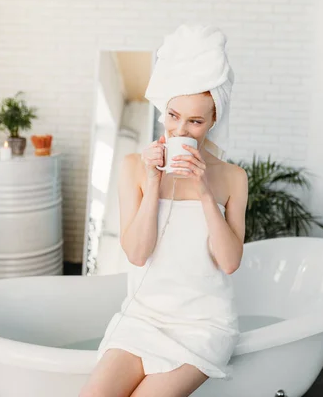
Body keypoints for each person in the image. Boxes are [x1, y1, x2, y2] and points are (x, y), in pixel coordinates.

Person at [79, 24, 248, 397]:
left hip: (204, 325)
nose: (179, 129)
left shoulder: (233, 178)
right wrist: (153, 183)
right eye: (173, 115)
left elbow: (230, 262)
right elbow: (138, 254)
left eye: (195, 121)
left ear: (214, 121)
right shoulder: (133, 168)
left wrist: (206, 194)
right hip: (142, 318)